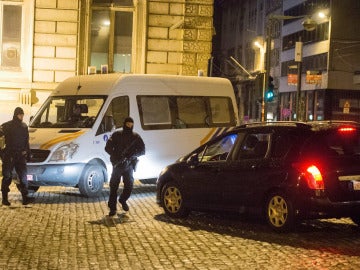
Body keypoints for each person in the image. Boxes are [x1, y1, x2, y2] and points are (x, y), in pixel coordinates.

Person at [105, 117, 145, 216]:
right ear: (124, 124)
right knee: (114, 186)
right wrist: (115, 155)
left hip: (129, 165)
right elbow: (108, 148)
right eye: (128, 124)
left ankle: (123, 200)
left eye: (131, 125)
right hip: (118, 165)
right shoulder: (116, 135)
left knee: (129, 186)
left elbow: (142, 150)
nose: (130, 126)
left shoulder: (136, 137)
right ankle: (112, 208)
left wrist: (133, 154)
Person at [0, 107, 34, 206]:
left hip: (20, 155)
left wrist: (28, 154)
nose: (22, 116)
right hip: (9, 155)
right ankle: (5, 198)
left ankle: (25, 197)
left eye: (22, 115)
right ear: (16, 115)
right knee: (7, 176)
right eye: (20, 114)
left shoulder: (24, 126)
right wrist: (2, 152)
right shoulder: (7, 126)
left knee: (23, 177)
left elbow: (26, 142)